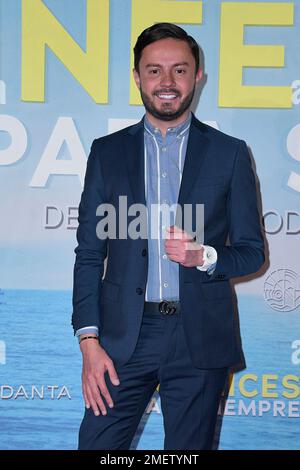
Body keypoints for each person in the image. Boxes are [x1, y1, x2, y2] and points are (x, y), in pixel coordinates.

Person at [72, 23, 264, 450]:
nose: (167, 82)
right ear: (138, 77)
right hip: (122, 338)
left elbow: (251, 254)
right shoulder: (107, 152)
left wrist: (206, 256)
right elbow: (88, 255)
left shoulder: (229, 153)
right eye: (154, 70)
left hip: (199, 338)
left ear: (198, 76)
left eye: (179, 70)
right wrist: (89, 341)